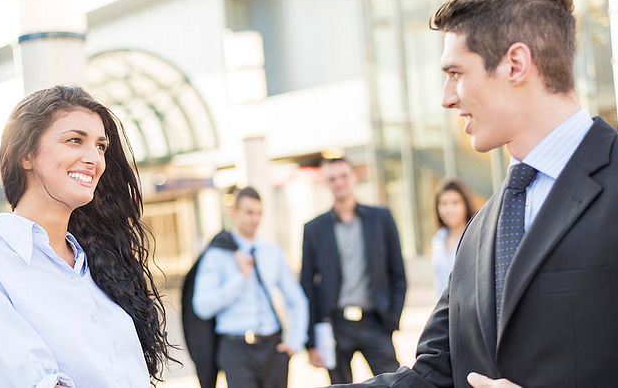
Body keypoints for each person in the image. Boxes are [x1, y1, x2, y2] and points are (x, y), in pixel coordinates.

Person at [332, 0, 618, 387]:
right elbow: (432, 376)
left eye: (456, 73)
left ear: (515, 63)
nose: (446, 97)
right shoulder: (480, 229)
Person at [0, 85, 175, 387]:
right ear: (25, 155)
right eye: (74, 141)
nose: (94, 159)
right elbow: (35, 380)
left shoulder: (97, 266)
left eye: (100, 146)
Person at [301, 157, 407, 384]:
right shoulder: (313, 229)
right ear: (325, 183)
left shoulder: (381, 218)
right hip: (335, 325)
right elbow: (307, 286)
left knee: (396, 383)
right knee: (339, 385)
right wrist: (310, 341)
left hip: (375, 321)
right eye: (332, 178)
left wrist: (392, 319)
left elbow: (397, 273)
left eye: (343, 176)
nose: (339, 182)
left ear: (354, 177)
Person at [192, 186, 308, 388]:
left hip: (273, 347)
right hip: (236, 349)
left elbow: (297, 300)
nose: (255, 219)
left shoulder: (272, 251)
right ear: (234, 212)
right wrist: (240, 278)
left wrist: (295, 340)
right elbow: (202, 306)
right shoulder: (216, 255)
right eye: (249, 212)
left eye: (259, 213)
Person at [431, 179, 475, 298]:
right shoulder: (438, 239)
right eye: (443, 204)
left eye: (455, 203)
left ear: (465, 204)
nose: (449, 210)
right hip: (444, 311)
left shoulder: (476, 236)